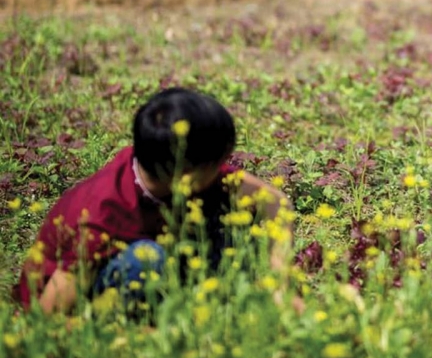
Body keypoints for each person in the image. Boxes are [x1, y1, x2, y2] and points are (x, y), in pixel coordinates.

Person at [14, 87, 294, 314]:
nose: (226, 167)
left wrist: (280, 284)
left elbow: (275, 204)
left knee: (229, 219)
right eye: (220, 160)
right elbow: (44, 317)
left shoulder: (179, 170)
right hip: (85, 297)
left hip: (164, 271)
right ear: (189, 173)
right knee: (144, 259)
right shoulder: (100, 214)